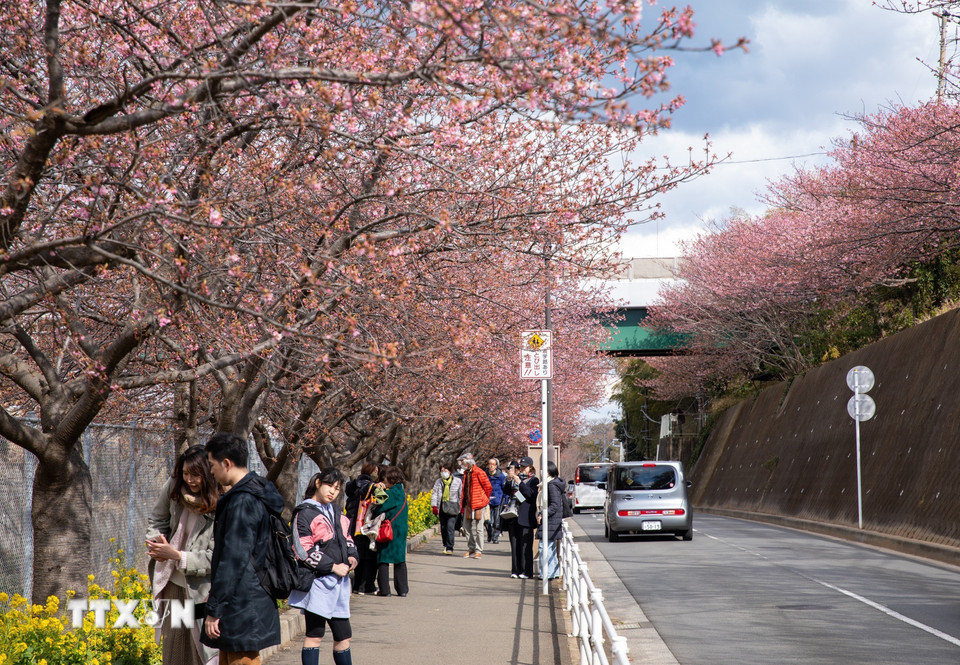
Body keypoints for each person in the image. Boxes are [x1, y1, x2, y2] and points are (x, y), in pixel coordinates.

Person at [202, 432, 284, 665]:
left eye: (212, 464)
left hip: (243, 601)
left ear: (226, 463)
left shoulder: (242, 501)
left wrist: (214, 609)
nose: (211, 471)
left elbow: (233, 558)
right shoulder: (256, 491)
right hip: (245, 597)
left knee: (242, 659)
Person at [146, 445, 220, 665]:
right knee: (174, 648)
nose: (190, 480)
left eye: (195, 475)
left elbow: (216, 557)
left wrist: (177, 555)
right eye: (185, 473)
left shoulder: (221, 503)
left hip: (203, 587)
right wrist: (156, 544)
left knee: (202, 650)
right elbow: (157, 519)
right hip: (173, 582)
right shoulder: (173, 487)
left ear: (208, 473)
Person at [289, 468, 359, 665]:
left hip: (340, 584)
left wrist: (353, 556)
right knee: (315, 635)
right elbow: (302, 550)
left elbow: (347, 539)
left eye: (337, 489)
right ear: (318, 483)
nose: (333, 492)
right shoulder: (304, 513)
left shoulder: (337, 512)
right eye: (329, 486)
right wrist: (332, 566)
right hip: (318, 584)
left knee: (344, 636)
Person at [371, 466, 409, 596]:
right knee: (400, 560)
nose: (384, 479)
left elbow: (379, 507)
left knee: (383, 559)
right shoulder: (401, 492)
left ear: (391, 478)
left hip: (389, 530)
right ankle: (402, 589)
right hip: (401, 529)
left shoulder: (392, 493)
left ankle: (385, 590)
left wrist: (378, 490)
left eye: (386, 477)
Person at [344, 463, 378, 594]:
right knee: (368, 555)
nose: (377, 473)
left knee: (358, 554)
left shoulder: (354, 483)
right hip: (363, 523)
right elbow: (365, 491)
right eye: (375, 470)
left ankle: (357, 585)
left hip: (353, 522)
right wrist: (373, 486)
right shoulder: (366, 484)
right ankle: (365, 586)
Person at [458, 452, 492, 558]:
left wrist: (483, 499)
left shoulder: (479, 472)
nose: (462, 464)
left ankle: (478, 550)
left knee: (479, 528)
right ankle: (471, 548)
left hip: (479, 504)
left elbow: (488, 487)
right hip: (468, 504)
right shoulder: (466, 473)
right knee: (466, 527)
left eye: (464, 462)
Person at [538, 461, 565, 580]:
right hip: (554, 521)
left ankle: (546, 573)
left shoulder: (551, 485)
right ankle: (553, 572)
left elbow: (554, 505)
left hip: (550, 521)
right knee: (551, 547)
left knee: (544, 547)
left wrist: (543, 514)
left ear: (548, 471)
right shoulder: (555, 483)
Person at [430, 461, 463, 555]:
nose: (443, 472)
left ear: (450, 471)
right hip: (442, 507)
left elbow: (460, 495)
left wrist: (461, 507)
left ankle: (450, 547)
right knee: (443, 528)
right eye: (441, 471)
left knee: (450, 527)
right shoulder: (438, 482)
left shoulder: (457, 481)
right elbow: (434, 494)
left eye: (445, 470)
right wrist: (434, 506)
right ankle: (445, 544)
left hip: (453, 507)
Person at [515, 456, 539, 579]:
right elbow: (521, 497)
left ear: (530, 467)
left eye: (525, 467)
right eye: (521, 467)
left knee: (526, 545)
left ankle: (528, 571)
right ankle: (520, 569)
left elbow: (530, 495)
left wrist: (520, 484)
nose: (522, 469)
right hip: (518, 516)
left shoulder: (534, 480)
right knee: (519, 545)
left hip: (527, 517)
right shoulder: (520, 479)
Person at [501, 460, 523, 578]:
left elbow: (524, 496)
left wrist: (517, 484)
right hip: (511, 513)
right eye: (510, 468)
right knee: (513, 544)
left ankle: (522, 569)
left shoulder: (523, 478)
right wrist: (509, 480)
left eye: (514, 469)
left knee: (522, 543)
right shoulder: (508, 480)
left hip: (521, 513)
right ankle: (514, 570)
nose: (512, 471)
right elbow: (505, 491)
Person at [484, 457, 505, 544]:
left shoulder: (501, 476)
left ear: (496, 466)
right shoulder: (485, 475)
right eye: (490, 464)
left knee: (497, 521)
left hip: (498, 500)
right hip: (487, 500)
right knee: (486, 520)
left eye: (493, 464)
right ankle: (490, 533)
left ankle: (495, 537)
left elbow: (504, 489)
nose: (491, 466)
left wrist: (505, 501)